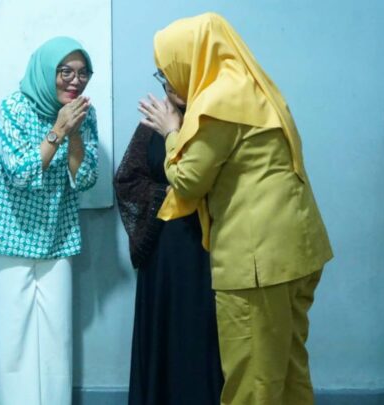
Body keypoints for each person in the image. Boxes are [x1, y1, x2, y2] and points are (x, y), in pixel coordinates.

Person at [139, 13, 333, 405]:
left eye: (166, 72)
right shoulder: (254, 86)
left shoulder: (216, 102)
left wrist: (171, 131)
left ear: (189, 58)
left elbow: (189, 180)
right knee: (288, 371)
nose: (167, 83)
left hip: (256, 261)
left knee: (252, 383)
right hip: (298, 250)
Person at [0, 36, 99, 405]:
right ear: (46, 71)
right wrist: (58, 130)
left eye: (82, 73)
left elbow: (85, 178)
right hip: (9, 237)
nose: (75, 81)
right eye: (65, 72)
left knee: (57, 340)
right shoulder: (13, 108)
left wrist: (76, 133)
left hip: (57, 237)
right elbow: (21, 174)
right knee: (13, 344)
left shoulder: (84, 113)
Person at [114, 121, 223, 405]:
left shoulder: (212, 119)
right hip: (161, 250)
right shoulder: (151, 124)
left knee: (203, 330)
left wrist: (193, 190)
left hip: (208, 246)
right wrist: (165, 194)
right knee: (163, 330)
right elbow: (127, 180)